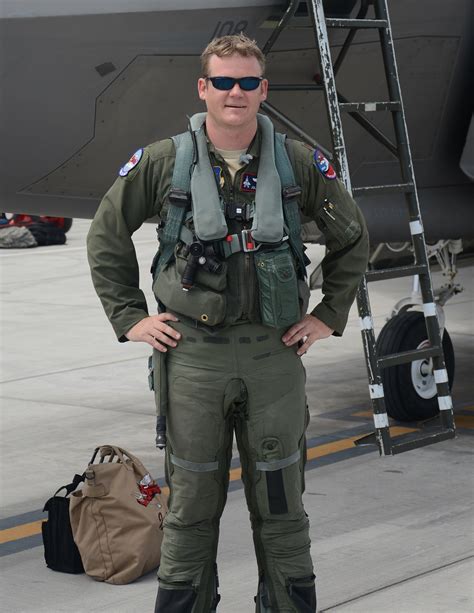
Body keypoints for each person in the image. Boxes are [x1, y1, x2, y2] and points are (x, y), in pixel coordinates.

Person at [87, 34, 369, 613]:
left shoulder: (295, 161)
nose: (234, 93)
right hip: (193, 358)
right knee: (190, 502)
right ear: (204, 88)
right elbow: (106, 235)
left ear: (262, 90)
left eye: (246, 82)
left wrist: (326, 316)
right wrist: (131, 317)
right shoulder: (166, 160)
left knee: (281, 498)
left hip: (273, 357)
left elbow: (353, 237)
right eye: (222, 82)